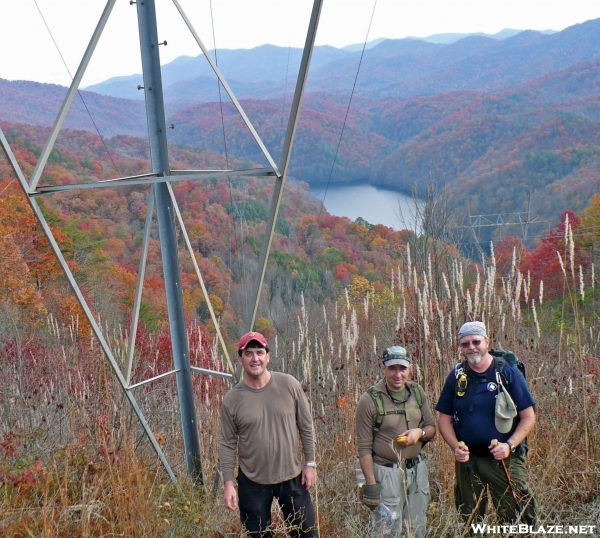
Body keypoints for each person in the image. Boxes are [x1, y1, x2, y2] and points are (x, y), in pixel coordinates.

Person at [435, 321, 537, 528]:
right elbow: (443, 419)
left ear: (486, 342)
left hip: (503, 459)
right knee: (470, 517)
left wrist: (509, 446)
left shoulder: (506, 372)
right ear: (460, 347)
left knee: (516, 514)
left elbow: (528, 416)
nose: (471, 347)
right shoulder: (457, 375)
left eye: (476, 342)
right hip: (468, 460)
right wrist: (456, 447)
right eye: (465, 344)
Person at [219, 331, 319, 538]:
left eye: (259, 352)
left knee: (306, 534)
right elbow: (227, 443)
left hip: (292, 477)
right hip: (252, 481)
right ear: (240, 359)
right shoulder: (232, 399)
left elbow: (306, 426)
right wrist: (228, 483)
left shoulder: (289, 384)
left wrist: (310, 464)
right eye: (248, 353)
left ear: (268, 356)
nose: (255, 358)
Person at [355, 346, 436, 538]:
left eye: (402, 368)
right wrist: (371, 485)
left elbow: (432, 426)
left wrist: (420, 432)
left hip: (417, 471)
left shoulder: (417, 392)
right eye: (392, 369)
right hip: (386, 472)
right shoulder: (369, 400)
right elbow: (364, 448)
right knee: (388, 528)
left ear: (409, 369)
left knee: (416, 527)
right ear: (383, 368)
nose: (398, 374)